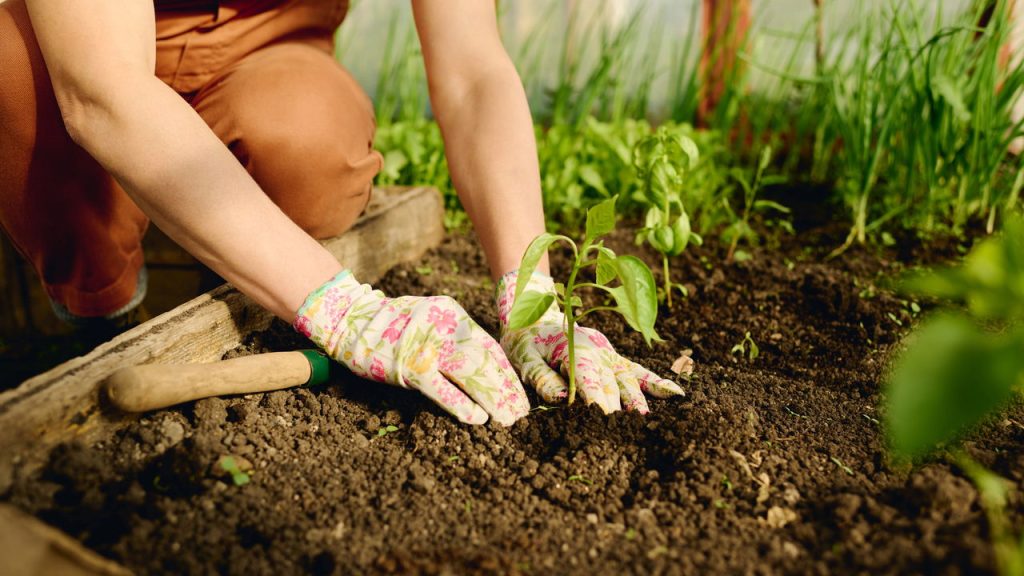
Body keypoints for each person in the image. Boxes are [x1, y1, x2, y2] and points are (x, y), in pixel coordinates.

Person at [0, 0, 683, 425]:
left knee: (308, 145)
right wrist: (344, 308)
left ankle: (235, 276)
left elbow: (472, 68)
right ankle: (97, 315)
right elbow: (99, 89)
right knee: (28, 122)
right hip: (71, 44)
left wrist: (533, 295)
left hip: (259, 38)